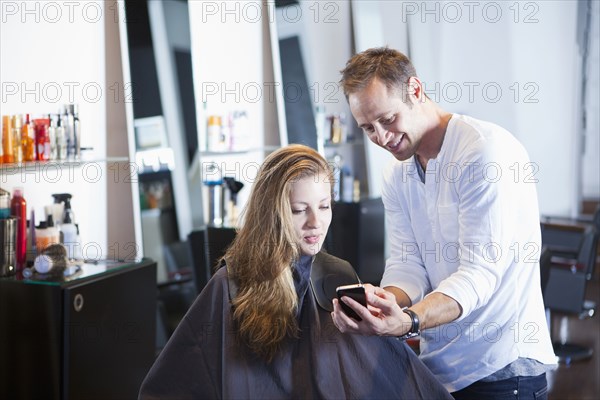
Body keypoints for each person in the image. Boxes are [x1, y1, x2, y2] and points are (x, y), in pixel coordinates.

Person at [139, 144, 452, 399]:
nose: (316, 222)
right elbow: (171, 384)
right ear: (273, 212)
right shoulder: (232, 283)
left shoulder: (337, 276)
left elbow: (379, 371)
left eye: (324, 206)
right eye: (300, 210)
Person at [331, 47, 557, 399]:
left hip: (502, 369)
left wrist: (408, 321)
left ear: (416, 91)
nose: (382, 138)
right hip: (440, 370)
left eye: (388, 120)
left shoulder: (484, 152)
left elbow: (479, 275)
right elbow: (408, 265)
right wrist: (383, 303)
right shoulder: (396, 173)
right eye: (368, 128)